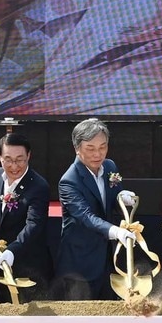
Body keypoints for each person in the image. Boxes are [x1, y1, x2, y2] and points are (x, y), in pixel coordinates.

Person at [57, 118, 136, 299]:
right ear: (77, 148)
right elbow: (86, 216)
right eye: (90, 148)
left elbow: (114, 195)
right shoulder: (69, 181)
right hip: (80, 264)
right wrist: (115, 231)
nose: (97, 154)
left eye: (102, 147)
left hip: (108, 260)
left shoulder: (109, 166)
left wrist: (122, 198)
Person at [0, 132, 52, 302]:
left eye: (20, 159)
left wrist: (12, 250)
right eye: (8, 160)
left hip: (29, 268)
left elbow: (34, 225)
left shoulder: (38, 186)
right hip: (0, 263)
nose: (14, 166)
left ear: (29, 156)